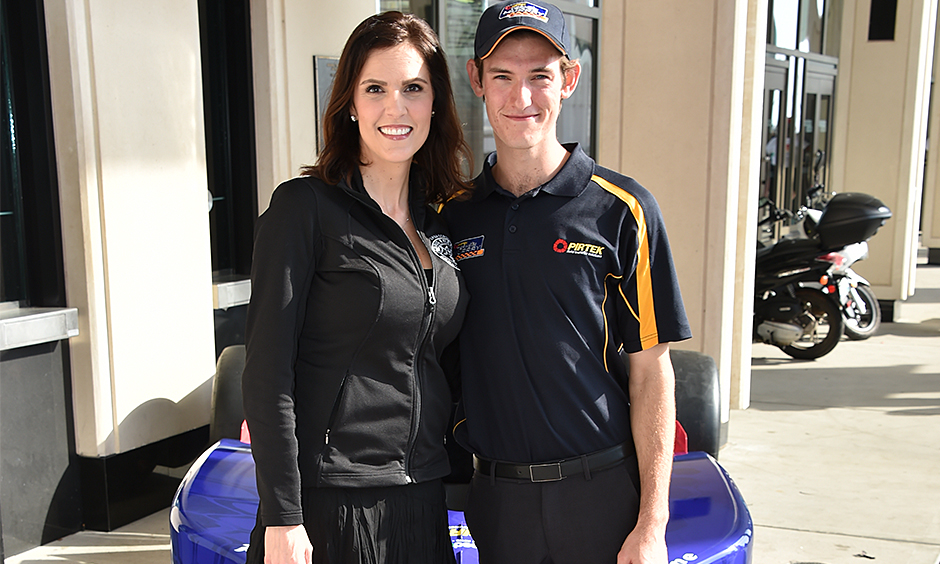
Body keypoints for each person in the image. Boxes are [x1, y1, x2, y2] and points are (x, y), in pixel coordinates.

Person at [441, 2, 692, 563]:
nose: (521, 97)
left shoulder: (624, 209)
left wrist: (652, 523)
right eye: (502, 76)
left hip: (601, 495)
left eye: (540, 76)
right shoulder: (452, 216)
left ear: (569, 80)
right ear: (476, 79)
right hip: (494, 501)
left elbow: (653, 374)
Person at [241, 12, 471, 564]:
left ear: (435, 102)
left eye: (413, 88)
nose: (397, 107)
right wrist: (283, 519)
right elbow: (267, 372)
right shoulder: (304, 209)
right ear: (349, 102)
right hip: (330, 505)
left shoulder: (441, 223)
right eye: (376, 89)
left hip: (420, 495)